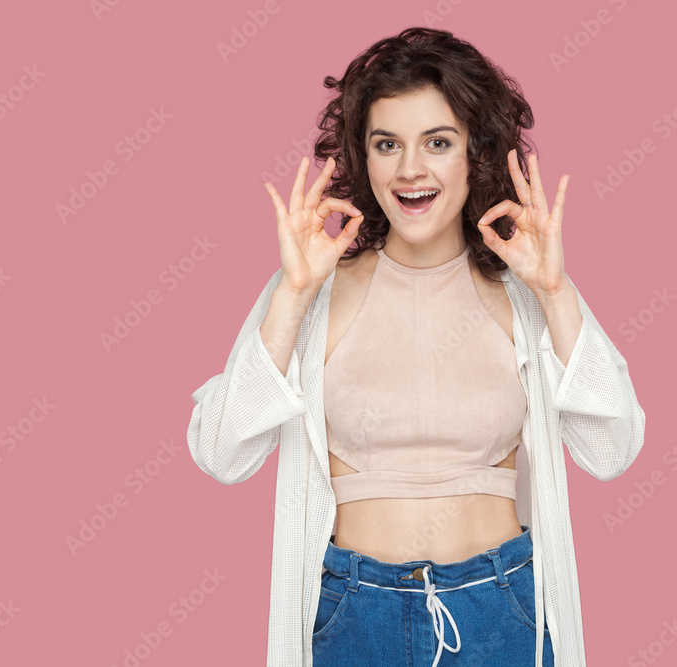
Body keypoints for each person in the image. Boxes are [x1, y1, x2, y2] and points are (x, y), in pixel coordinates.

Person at [187, 27, 646, 667]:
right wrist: (290, 297)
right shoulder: (314, 290)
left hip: (501, 611)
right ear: (363, 159)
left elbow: (613, 448)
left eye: (438, 142)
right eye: (387, 144)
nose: (410, 169)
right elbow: (220, 451)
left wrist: (557, 292)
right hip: (354, 617)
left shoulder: (526, 290)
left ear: (475, 154)